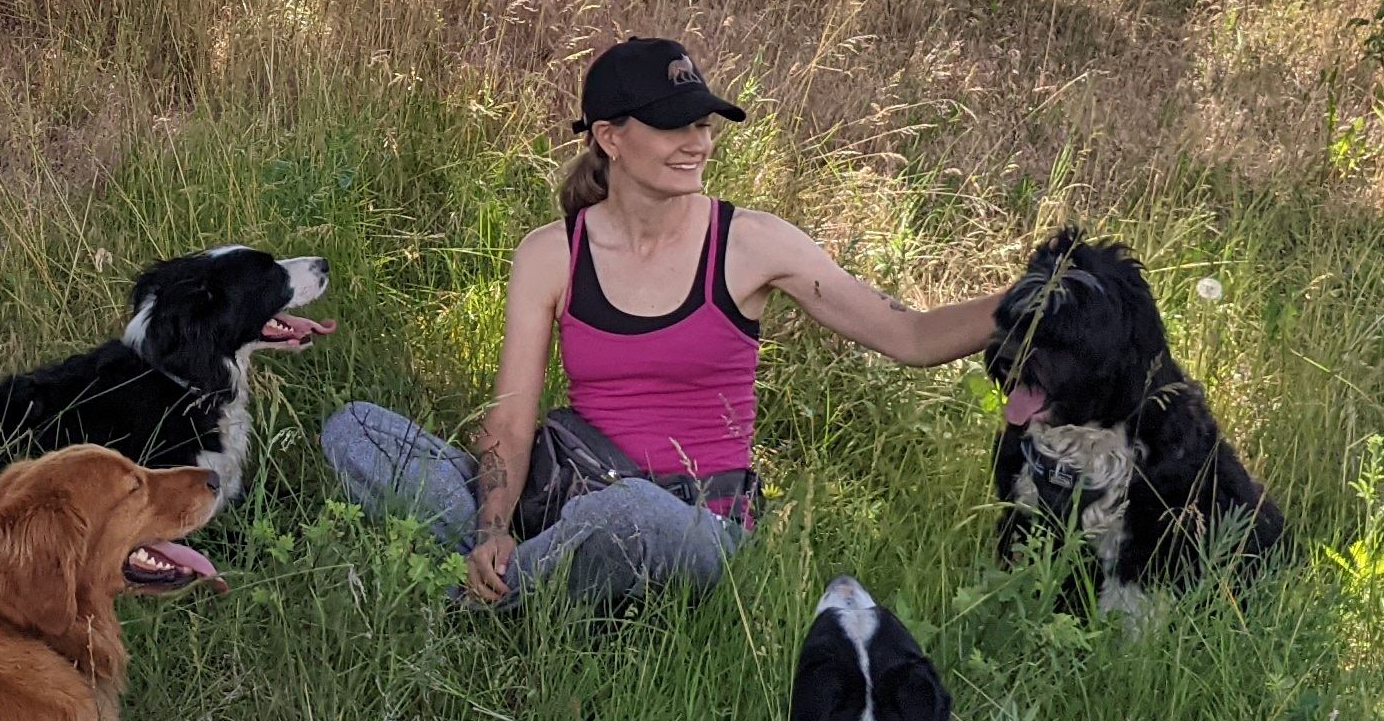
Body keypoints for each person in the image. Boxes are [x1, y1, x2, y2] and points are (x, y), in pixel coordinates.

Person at [322, 38, 1007, 608]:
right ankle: (511, 568)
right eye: (675, 125)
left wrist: (1036, 295)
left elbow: (911, 337)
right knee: (356, 430)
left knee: (629, 518)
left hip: (690, 530)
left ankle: (485, 598)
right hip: (568, 497)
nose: (698, 142)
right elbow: (508, 422)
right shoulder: (551, 253)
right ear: (609, 139)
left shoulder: (753, 244)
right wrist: (492, 524)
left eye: (704, 124)